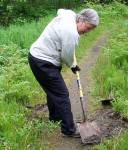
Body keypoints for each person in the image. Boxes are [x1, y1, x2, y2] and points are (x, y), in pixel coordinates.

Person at [28, 8, 99, 137]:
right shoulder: (70, 33)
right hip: (43, 61)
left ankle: (55, 118)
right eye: (87, 28)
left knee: (53, 90)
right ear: (81, 20)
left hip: (40, 56)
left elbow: (61, 10)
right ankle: (69, 130)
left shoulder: (70, 15)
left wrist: (71, 62)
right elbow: (67, 56)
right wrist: (73, 65)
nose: (86, 32)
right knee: (62, 94)